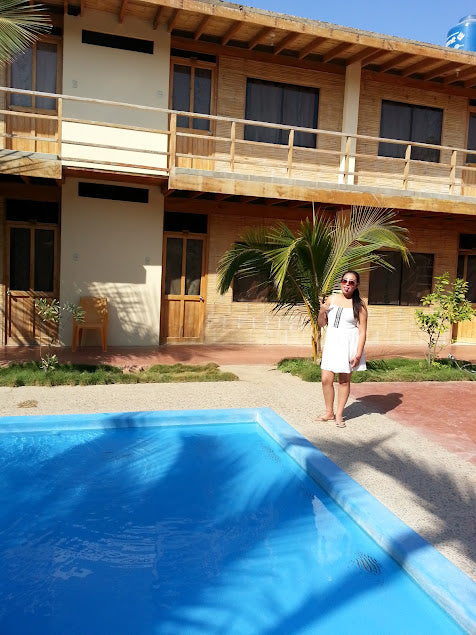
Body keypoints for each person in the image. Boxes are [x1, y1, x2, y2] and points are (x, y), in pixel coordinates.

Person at [317, 270, 367, 428]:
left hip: (348, 345)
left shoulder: (359, 305)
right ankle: (328, 412)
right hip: (332, 343)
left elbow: (362, 331)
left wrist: (358, 354)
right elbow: (321, 324)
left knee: (344, 381)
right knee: (326, 379)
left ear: (356, 285)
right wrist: (322, 310)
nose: (347, 284)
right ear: (341, 282)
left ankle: (339, 415)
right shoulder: (332, 299)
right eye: (345, 281)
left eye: (351, 282)